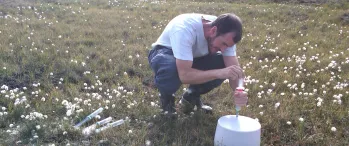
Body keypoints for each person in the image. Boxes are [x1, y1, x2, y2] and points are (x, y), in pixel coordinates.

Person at [148, 13, 248, 117]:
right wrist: (219, 73)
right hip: (165, 52)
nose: (224, 50)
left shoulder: (226, 35)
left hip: (191, 56)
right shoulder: (184, 29)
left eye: (227, 47)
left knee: (224, 64)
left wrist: (239, 90)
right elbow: (184, 75)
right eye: (223, 44)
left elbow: (235, 71)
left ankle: (191, 96)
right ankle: (167, 102)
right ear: (213, 31)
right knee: (171, 68)